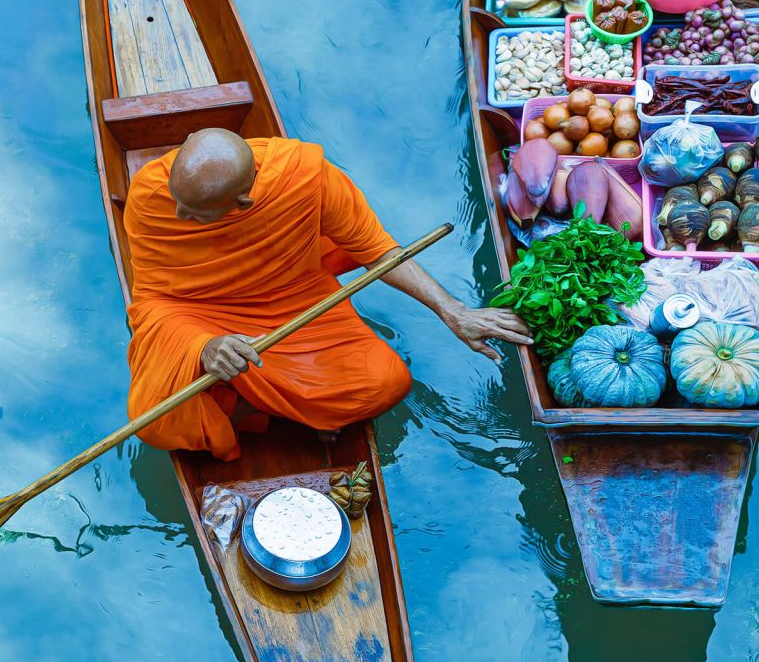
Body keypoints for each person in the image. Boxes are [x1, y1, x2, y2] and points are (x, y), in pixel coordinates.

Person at [123, 128, 530, 460]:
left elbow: (378, 251)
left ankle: (248, 401)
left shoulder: (304, 178)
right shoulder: (149, 193)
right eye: (178, 200)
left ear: (244, 203)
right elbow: (154, 297)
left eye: (195, 214)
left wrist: (454, 311)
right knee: (155, 422)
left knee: (386, 382)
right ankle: (284, 402)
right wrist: (204, 347)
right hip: (193, 312)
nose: (178, 214)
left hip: (291, 303)